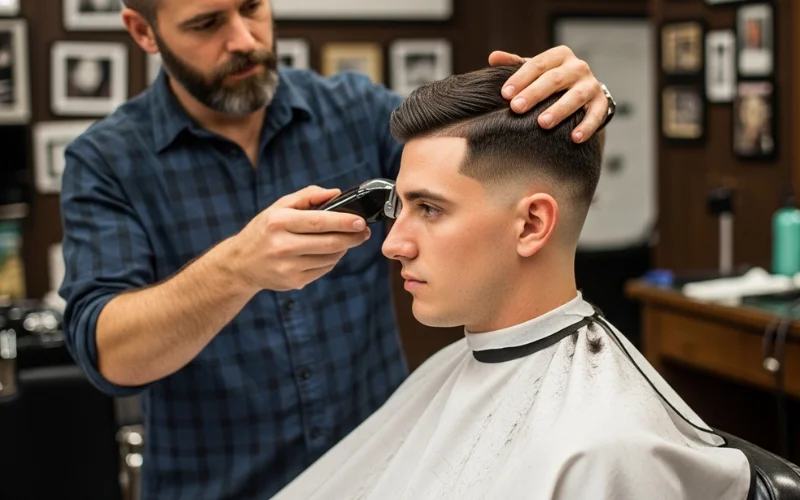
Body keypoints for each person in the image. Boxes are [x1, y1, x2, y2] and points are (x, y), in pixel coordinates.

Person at [57, 0, 615, 498]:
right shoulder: (107, 163)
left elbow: (491, 158)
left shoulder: (353, 112)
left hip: (383, 474)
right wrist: (237, 268)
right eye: (207, 23)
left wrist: (580, 103)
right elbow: (110, 356)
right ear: (143, 30)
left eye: (252, 8)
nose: (244, 39)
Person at [271, 65, 751, 500]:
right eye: (401, 207)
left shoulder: (602, 445)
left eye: (430, 209)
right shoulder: (456, 368)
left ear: (531, 225)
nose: (392, 245)